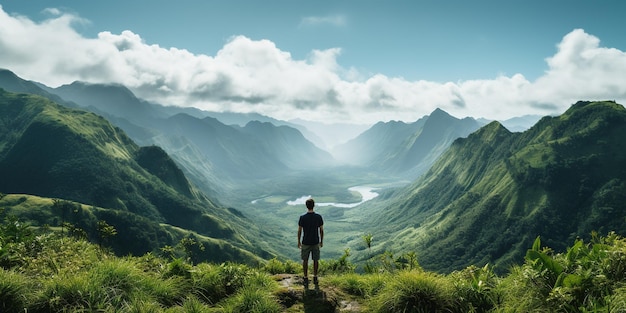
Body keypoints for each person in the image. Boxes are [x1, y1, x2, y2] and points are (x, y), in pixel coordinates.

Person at [297, 198, 324, 286]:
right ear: (314, 205)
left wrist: (299, 241)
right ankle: (315, 276)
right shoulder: (318, 217)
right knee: (316, 260)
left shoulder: (302, 217)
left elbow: (300, 231)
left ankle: (305, 277)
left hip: (305, 242)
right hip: (315, 241)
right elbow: (321, 230)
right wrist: (321, 241)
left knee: (305, 260)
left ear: (306, 206)